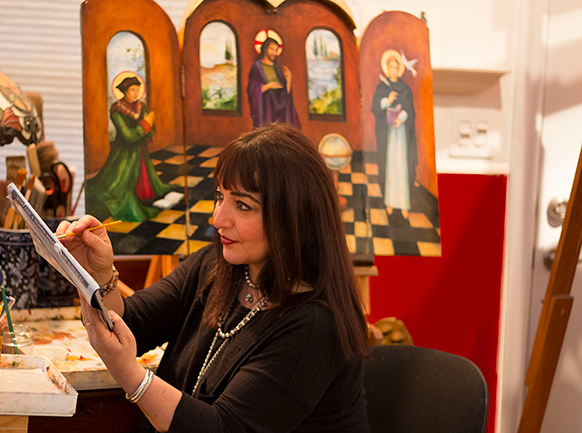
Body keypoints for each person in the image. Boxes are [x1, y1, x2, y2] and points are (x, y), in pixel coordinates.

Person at [58, 123, 370, 432]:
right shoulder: (218, 264)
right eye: (220, 196)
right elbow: (135, 324)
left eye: (243, 206)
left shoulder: (316, 326)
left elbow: (225, 428)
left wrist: (130, 375)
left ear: (293, 219)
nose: (218, 218)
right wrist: (98, 274)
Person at [86, 75, 178, 222]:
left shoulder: (141, 107)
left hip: (140, 151)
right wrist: (145, 124)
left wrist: (150, 124)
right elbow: (128, 136)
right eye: (132, 90)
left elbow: (151, 131)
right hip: (124, 153)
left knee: (145, 178)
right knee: (119, 185)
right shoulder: (117, 110)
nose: (135, 93)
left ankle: (145, 193)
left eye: (137, 89)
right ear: (125, 91)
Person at [371, 50, 418, 219]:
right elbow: (375, 108)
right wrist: (387, 101)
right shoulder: (382, 87)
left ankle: (403, 204)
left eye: (395, 67)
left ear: (399, 69)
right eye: (390, 67)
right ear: (387, 69)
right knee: (391, 167)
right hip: (389, 135)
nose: (392, 70)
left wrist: (402, 118)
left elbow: (410, 112)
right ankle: (390, 202)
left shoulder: (405, 89)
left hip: (402, 135)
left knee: (402, 168)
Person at [247, 38, 301, 129]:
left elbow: (285, 94)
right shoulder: (257, 67)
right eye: (271, 49)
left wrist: (288, 81)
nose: (274, 52)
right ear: (265, 49)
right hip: (266, 106)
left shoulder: (276, 67)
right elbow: (252, 89)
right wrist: (268, 86)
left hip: (278, 106)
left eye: (276, 50)